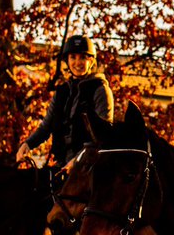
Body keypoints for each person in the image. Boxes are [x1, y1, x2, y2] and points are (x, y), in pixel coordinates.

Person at [16, 35, 113, 168]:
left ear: (91, 61)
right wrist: (27, 144)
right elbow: (46, 127)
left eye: (83, 57)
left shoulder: (100, 90)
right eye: (73, 57)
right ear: (67, 60)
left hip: (88, 168)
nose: (77, 62)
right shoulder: (62, 91)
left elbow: (102, 136)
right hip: (60, 165)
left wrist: (77, 160)